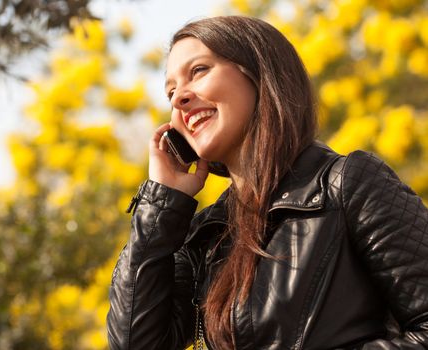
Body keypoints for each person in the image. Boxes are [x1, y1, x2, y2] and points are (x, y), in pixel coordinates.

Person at [107, 16, 428, 349]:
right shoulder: (205, 236)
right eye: (171, 91)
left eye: (198, 71)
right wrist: (161, 204)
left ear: (259, 73)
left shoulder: (347, 185)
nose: (178, 99)